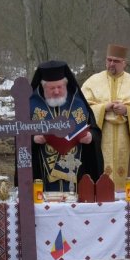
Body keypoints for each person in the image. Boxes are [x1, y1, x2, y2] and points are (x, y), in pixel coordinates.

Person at [81, 44, 130, 192]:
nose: (111, 64)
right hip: (101, 137)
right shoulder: (92, 82)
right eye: (109, 60)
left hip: (125, 139)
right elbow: (81, 111)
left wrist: (127, 110)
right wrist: (103, 108)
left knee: (124, 180)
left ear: (124, 63)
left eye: (116, 61)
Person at [28, 60, 103, 193]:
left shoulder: (78, 101)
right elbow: (19, 136)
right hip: (42, 175)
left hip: (77, 170)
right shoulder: (31, 104)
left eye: (60, 87)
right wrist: (33, 139)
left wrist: (91, 137)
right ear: (43, 87)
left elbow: (95, 130)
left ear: (66, 84)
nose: (56, 91)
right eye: (52, 88)